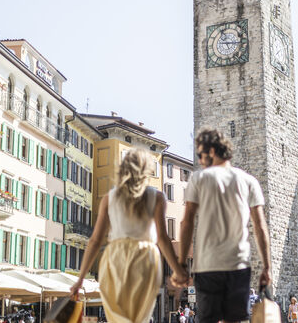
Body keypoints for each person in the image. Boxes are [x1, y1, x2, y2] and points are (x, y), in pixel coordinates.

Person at [69, 149, 187, 323]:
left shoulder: (110, 198)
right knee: (139, 318)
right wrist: (177, 270)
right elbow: (162, 238)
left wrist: (80, 280)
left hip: (115, 257)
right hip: (145, 258)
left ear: (122, 169)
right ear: (147, 171)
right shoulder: (157, 197)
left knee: (118, 318)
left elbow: (95, 241)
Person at [173, 128, 272, 323]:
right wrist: (267, 267)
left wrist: (182, 263)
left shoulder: (199, 179)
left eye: (200, 154)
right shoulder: (249, 181)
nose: (200, 160)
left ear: (210, 151)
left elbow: (187, 222)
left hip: (207, 265)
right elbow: (260, 227)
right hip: (238, 264)